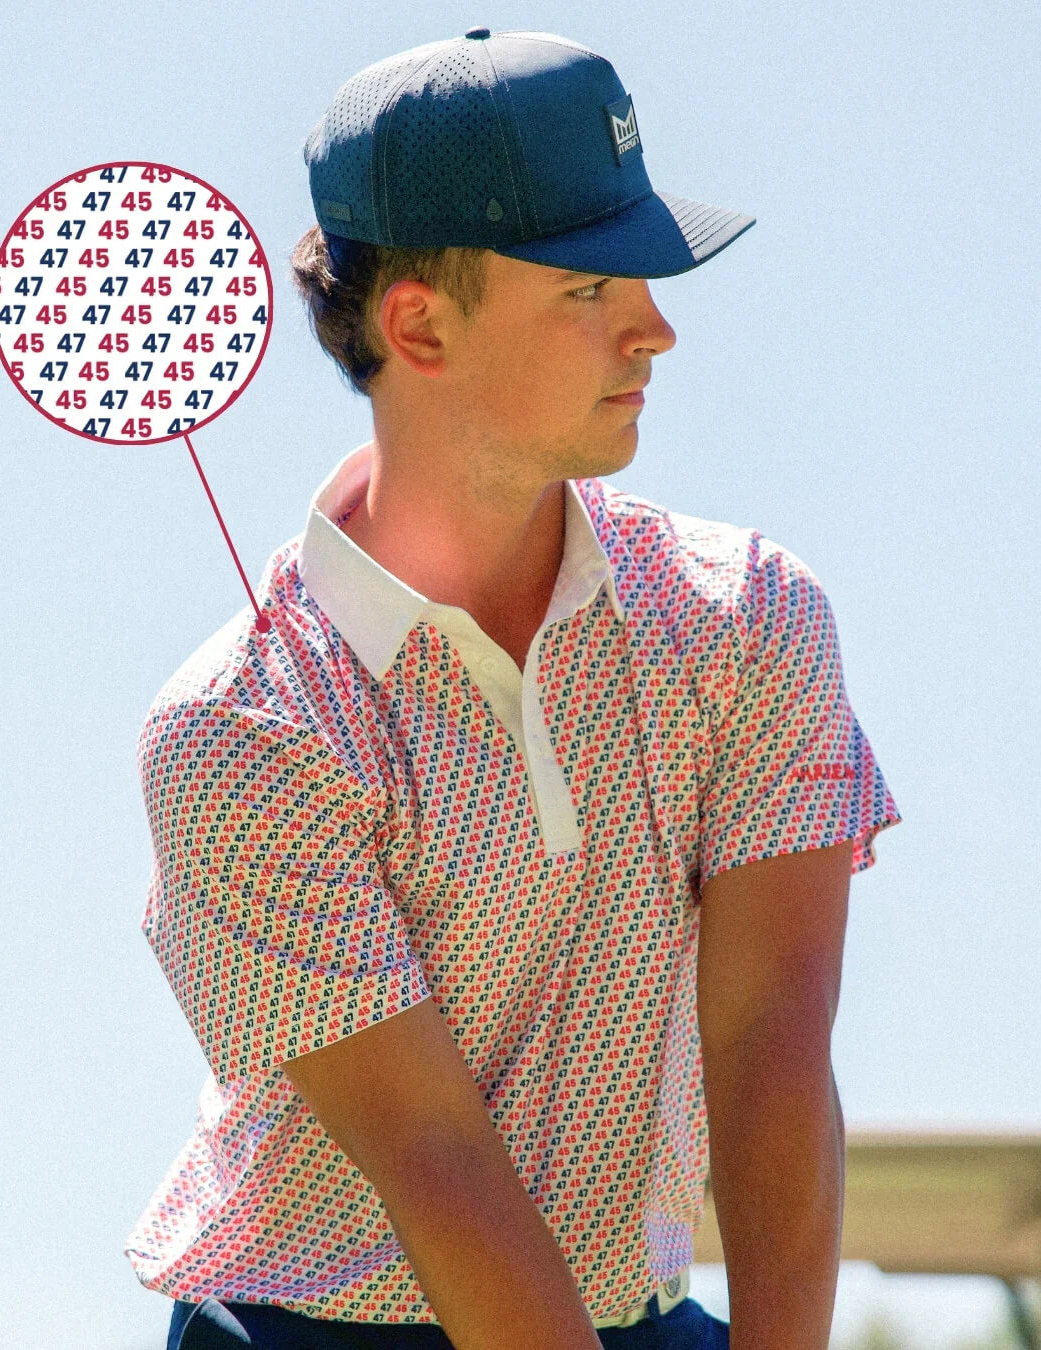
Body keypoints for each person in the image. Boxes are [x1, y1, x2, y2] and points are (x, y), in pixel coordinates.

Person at [125, 27, 903, 1350]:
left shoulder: (751, 618)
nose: (656, 328)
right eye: (591, 289)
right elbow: (437, 1158)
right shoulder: (236, 732)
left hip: (641, 1317)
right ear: (420, 324)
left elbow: (776, 1036)